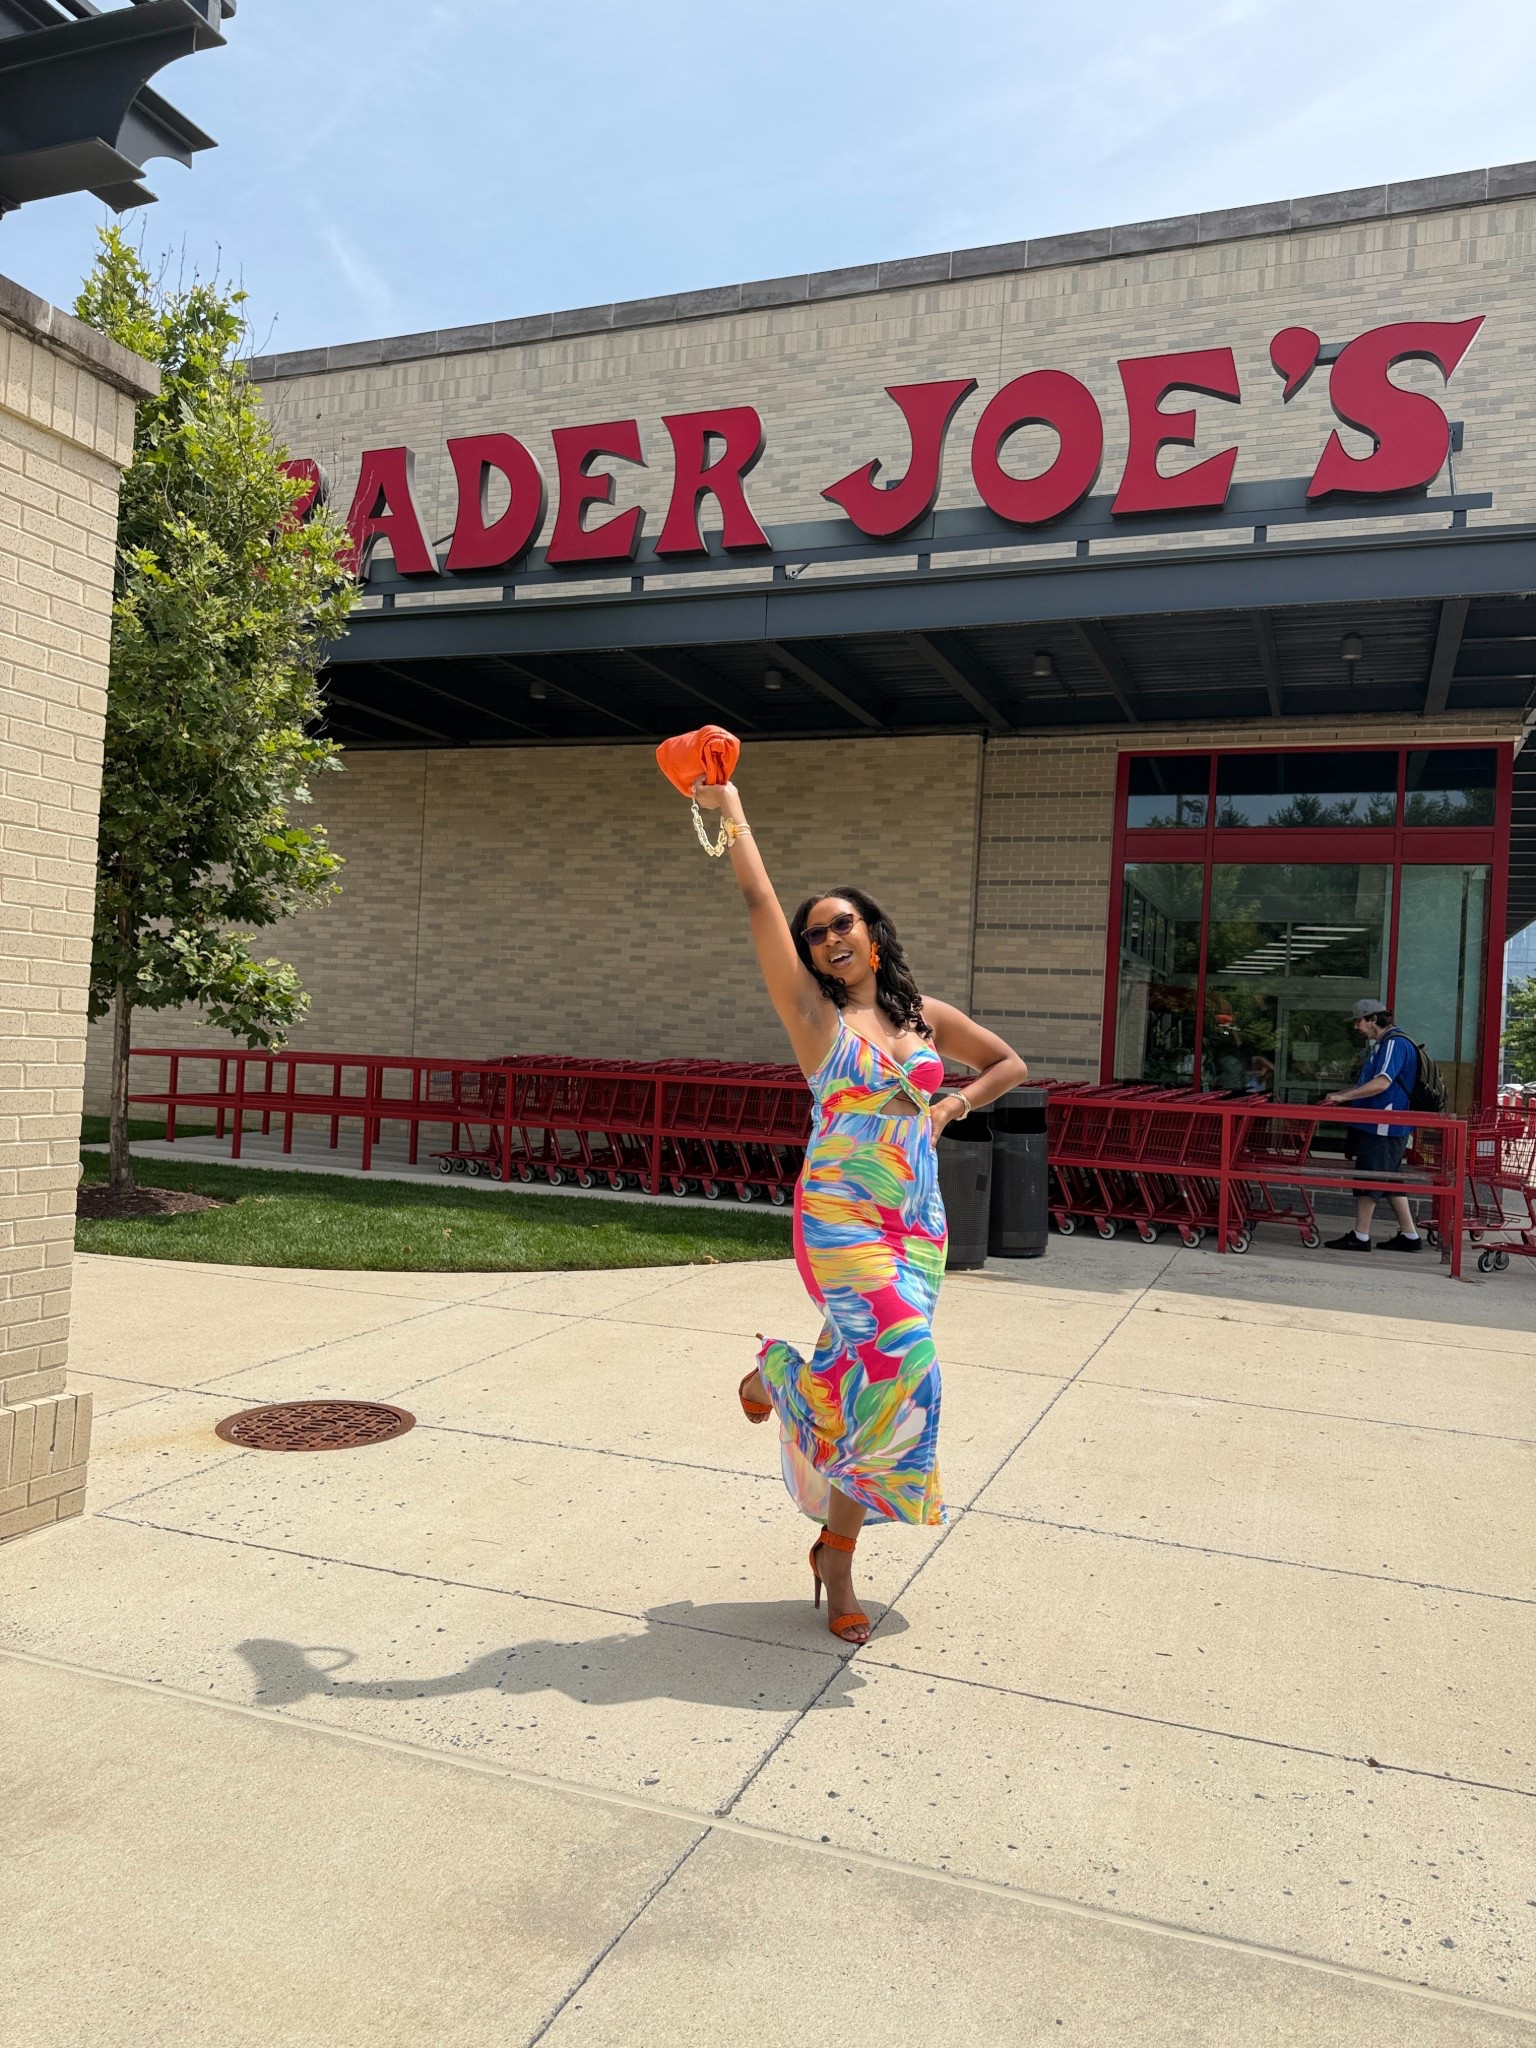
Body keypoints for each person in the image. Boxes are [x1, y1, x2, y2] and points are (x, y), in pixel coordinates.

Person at [688, 772, 1028, 1646]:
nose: (829, 937)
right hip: (840, 1220)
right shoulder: (816, 1023)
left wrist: (951, 1106)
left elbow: (1009, 1066)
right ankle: (790, 1410)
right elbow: (761, 902)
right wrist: (732, 811)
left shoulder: (923, 1019)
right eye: (816, 934)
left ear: (873, 933)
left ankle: (830, 1538)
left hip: (917, 1226)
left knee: (867, 1388)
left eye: (843, 922)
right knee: (909, 1366)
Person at [1323, 999, 1423, 1253]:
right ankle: (1410, 1236)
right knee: (1390, 1180)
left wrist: (1343, 1097)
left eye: (1358, 1021)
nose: (1356, 1027)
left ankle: (1361, 1236)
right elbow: (1368, 1085)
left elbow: (1381, 1083)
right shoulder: (1390, 1043)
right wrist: (1342, 1094)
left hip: (1383, 1124)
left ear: (1373, 1019)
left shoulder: (1393, 1044)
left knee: (1370, 1176)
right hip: (1388, 1125)